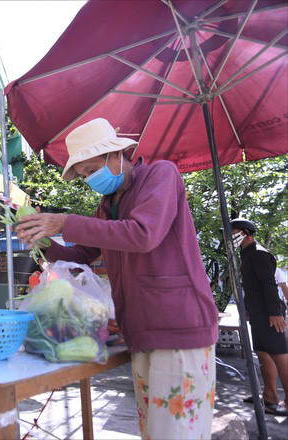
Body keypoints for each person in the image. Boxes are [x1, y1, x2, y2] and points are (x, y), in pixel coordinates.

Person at [15, 118, 219, 439]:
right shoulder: (107, 205)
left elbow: (143, 234)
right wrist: (40, 238)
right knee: (154, 429)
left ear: (119, 154)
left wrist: (65, 221)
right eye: (84, 176)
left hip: (178, 327)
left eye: (92, 169)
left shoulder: (160, 174)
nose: (91, 179)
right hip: (140, 331)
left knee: (177, 433)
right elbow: (80, 256)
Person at [231, 218, 287, 416]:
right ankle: (270, 397)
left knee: (280, 355)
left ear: (244, 233)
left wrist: (275, 313)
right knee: (263, 353)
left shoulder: (258, 253)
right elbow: (252, 287)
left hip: (269, 314)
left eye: (233, 231)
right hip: (258, 312)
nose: (229, 236)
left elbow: (268, 284)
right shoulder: (247, 255)